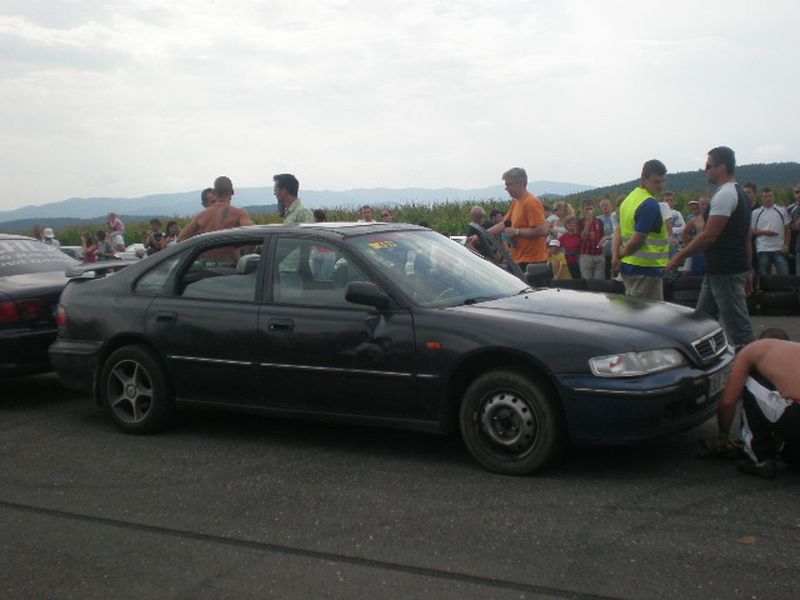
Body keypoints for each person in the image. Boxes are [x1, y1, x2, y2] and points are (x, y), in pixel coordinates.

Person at [667, 146, 755, 349]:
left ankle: (756, 365)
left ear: (722, 167)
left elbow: (709, 236)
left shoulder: (725, 195)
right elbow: (745, 237)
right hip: (719, 270)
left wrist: (678, 257)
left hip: (726, 271)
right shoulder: (738, 193)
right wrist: (748, 269)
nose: (705, 169)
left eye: (708, 165)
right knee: (702, 321)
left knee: (739, 330)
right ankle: (705, 359)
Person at [714, 336, 800, 479]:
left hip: (795, 414)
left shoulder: (753, 350)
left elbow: (728, 402)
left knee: (748, 381)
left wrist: (722, 437)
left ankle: (760, 459)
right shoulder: (793, 350)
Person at [613, 159, 669, 300]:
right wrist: (622, 254)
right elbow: (638, 239)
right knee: (648, 311)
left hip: (630, 268)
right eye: (656, 182)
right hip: (646, 270)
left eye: (663, 181)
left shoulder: (629, 199)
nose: (661, 186)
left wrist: (615, 256)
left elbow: (618, 230)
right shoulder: (649, 204)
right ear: (644, 180)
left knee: (632, 307)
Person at [487, 167, 548, 271]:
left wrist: (517, 232)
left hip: (532, 261)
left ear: (521, 184)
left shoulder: (531, 202)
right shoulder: (517, 202)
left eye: (508, 184)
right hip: (519, 259)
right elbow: (504, 224)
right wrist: (482, 235)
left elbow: (542, 230)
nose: (506, 188)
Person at [179, 176, 254, 241]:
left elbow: (181, 238)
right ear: (232, 192)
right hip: (230, 253)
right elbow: (253, 233)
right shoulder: (239, 214)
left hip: (206, 252)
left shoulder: (200, 216)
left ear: (214, 193)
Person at [751, 187, 790, 276]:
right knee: (764, 278)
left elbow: (788, 229)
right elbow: (751, 231)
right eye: (765, 196)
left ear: (774, 197)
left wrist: (786, 246)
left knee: (784, 275)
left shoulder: (782, 210)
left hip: (779, 249)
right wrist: (765, 232)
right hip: (762, 249)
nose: (768, 198)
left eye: (770, 196)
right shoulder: (756, 213)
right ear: (761, 198)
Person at [680, 198, 708, 276]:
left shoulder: (714, 218)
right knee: (690, 272)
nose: (704, 206)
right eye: (702, 204)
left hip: (710, 249)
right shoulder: (695, 219)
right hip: (697, 250)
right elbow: (685, 233)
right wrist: (692, 243)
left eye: (706, 204)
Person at [578, 199, 605, 279]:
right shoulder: (580, 222)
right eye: (587, 209)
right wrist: (588, 223)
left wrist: (602, 245)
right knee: (587, 281)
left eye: (590, 209)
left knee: (599, 281)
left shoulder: (599, 221)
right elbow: (582, 236)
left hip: (599, 255)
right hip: (586, 255)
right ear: (582, 209)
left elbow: (603, 236)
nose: (589, 211)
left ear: (594, 208)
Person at [662, 190, 686, 257]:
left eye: (671, 200)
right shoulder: (659, 213)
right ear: (663, 201)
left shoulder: (677, 214)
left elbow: (684, 228)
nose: (669, 202)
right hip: (662, 243)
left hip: (674, 243)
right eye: (666, 200)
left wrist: (670, 230)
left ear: (674, 202)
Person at [597, 198, 615, 278]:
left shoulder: (616, 217)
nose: (605, 207)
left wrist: (607, 237)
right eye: (602, 205)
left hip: (615, 253)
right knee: (605, 276)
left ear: (611, 206)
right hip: (602, 254)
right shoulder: (598, 219)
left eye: (606, 205)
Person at [788, 184, 800, 275]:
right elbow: (789, 227)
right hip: (794, 247)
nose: (799, 194)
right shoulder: (790, 209)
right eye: (797, 192)